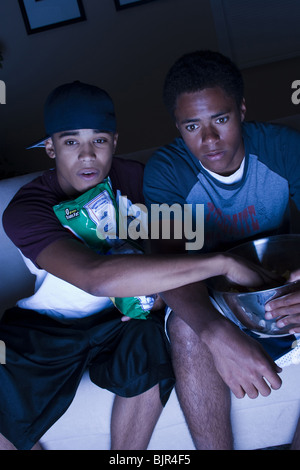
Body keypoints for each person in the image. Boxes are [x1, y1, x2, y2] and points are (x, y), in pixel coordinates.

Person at [0, 81, 269, 451]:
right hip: (48, 327)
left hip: (121, 322)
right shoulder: (26, 209)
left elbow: (176, 254)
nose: (87, 155)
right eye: (71, 142)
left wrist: (159, 295)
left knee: (154, 343)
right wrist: (222, 263)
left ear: (115, 141)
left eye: (99, 140)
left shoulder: (140, 180)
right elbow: (94, 277)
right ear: (50, 148)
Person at [143, 50, 300, 449]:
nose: (209, 139)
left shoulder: (284, 148)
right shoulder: (167, 171)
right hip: (212, 296)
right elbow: (167, 266)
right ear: (178, 126)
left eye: (221, 119)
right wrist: (217, 333)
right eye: (192, 125)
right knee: (185, 327)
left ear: (242, 109)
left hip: (279, 285)